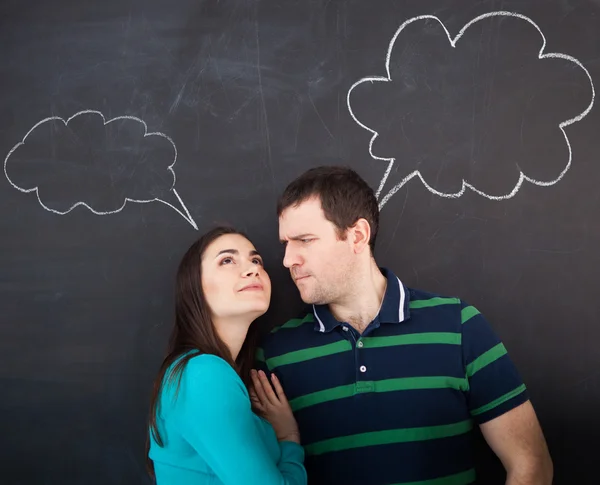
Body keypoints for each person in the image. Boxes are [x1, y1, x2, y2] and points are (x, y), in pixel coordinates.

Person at [256, 166, 553, 485]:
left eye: (304, 240)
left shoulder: (458, 327)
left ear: (357, 236)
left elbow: (531, 463)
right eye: (286, 243)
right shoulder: (275, 355)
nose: (287, 260)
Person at [146, 226, 307, 485]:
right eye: (227, 260)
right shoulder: (203, 374)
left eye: (256, 260)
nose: (252, 269)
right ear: (195, 287)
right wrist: (288, 439)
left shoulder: (204, 373)